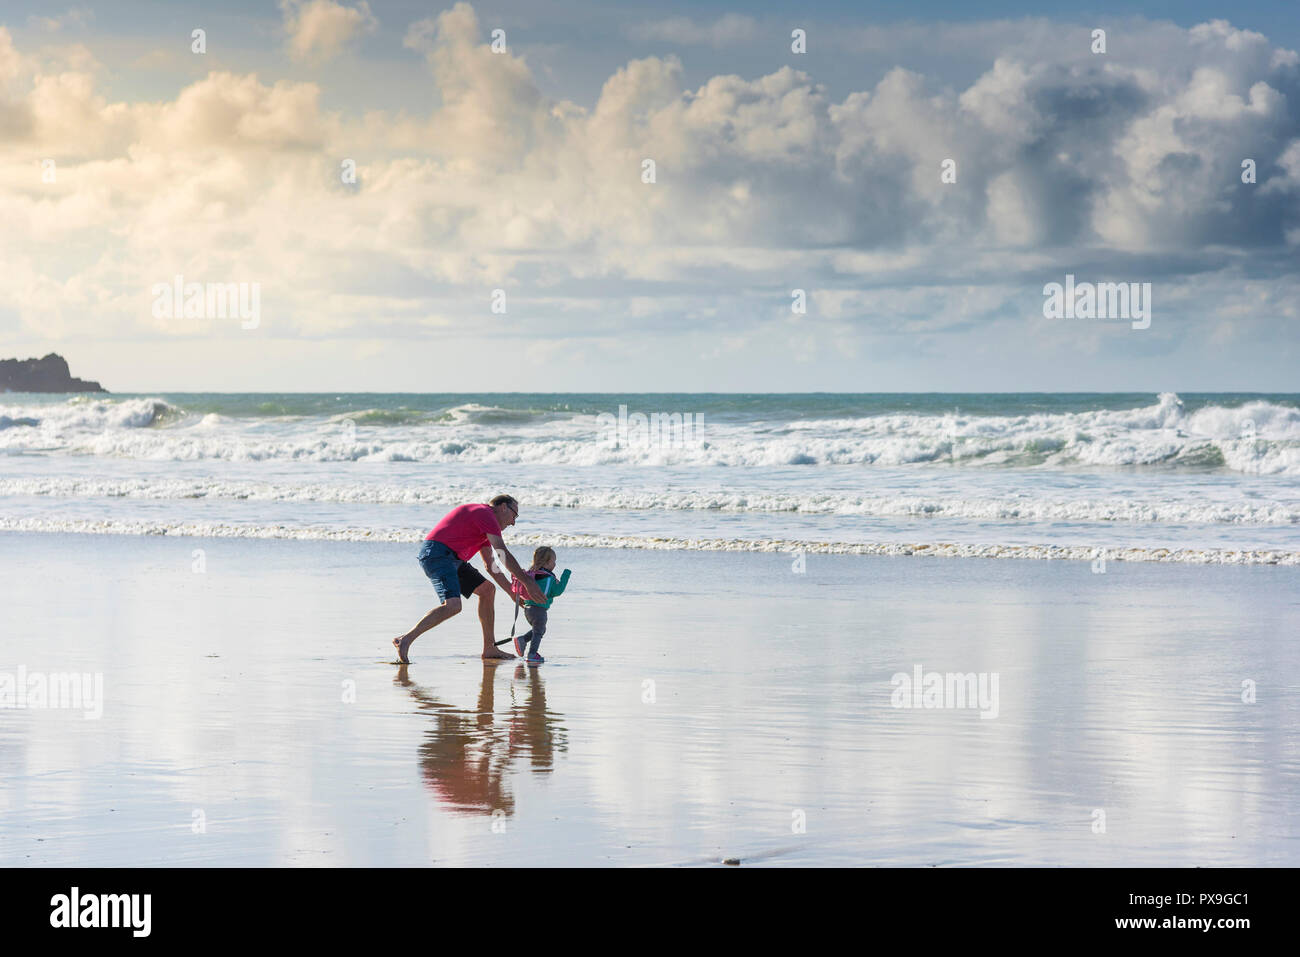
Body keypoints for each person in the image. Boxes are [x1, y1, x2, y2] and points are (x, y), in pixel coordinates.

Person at [393, 495, 545, 664]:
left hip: (454, 560)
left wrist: (512, 592)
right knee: (453, 605)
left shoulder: (487, 525)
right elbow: (503, 553)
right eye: (514, 516)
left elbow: (491, 565)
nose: (513, 523)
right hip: (437, 554)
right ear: (503, 507)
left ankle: (489, 648)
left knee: (487, 590)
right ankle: (405, 639)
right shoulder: (485, 514)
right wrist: (528, 582)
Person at [510, 546, 571, 664]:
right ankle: (532, 654)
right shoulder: (548, 577)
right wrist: (566, 575)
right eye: (554, 561)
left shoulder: (531, 574)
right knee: (539, 631)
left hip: (528, 608)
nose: (555, 564)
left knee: (539, 629)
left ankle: (522, 640)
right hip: (539, 610)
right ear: (547, 562)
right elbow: (557, 591)